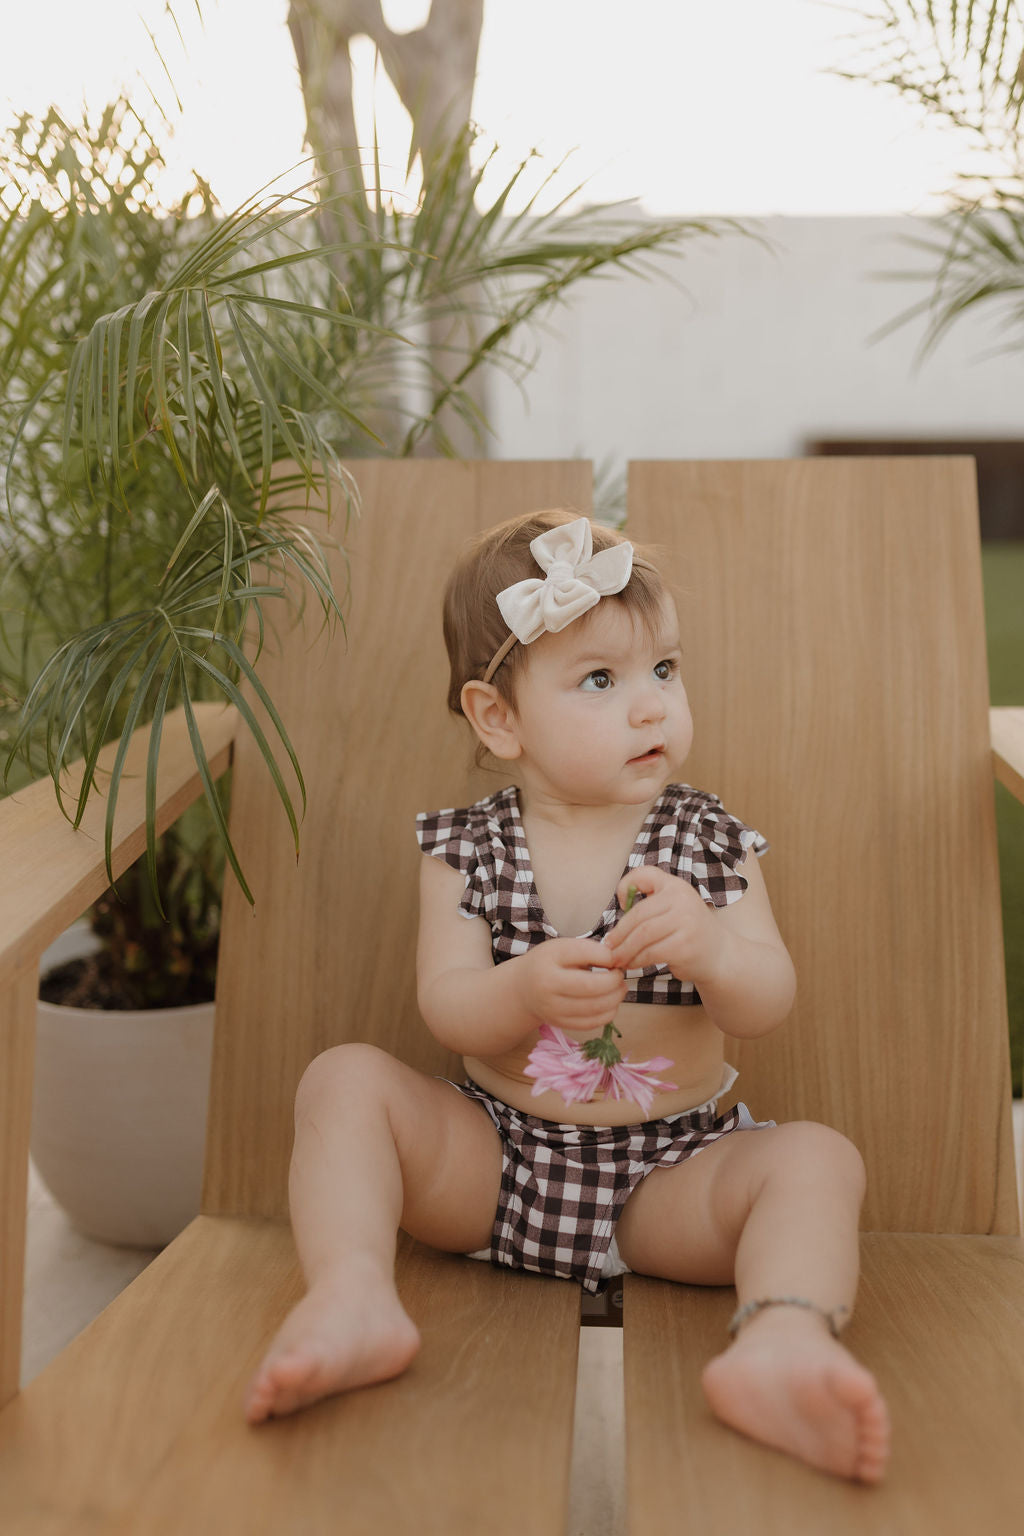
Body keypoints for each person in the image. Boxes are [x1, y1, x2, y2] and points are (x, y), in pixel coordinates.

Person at [244, 509, 890, 1484]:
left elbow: (765, 998)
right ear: (497, 718)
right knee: (344, 1083)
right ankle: (349, 1295)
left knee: (814, 1159)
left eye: (664, 671)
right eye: (601, 680)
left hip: (668, 1176)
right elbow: (447, 1006)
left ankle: (783, 1341)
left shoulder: (710, 840)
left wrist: (714, 949)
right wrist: (519, 990)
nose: (650, 707)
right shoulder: (464, 847)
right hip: (490, 1160)